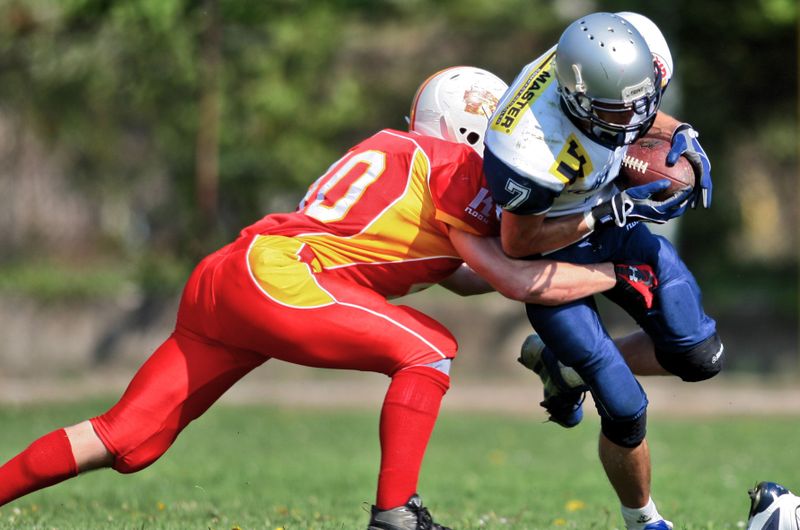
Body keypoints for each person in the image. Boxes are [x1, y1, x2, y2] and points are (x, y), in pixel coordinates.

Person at [0, 66, 660, 530]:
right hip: (283, 277)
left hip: (234, 273)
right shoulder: (453, 166)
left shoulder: (401, 153)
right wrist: (614, 274)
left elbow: (470, 272)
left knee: (130, 441)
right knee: (431, 350)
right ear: (472, 130)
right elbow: (513, 275)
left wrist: (561, 254)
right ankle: (396, 515)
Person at [481, 11, 723, 530]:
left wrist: (683, 137)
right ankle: (644, 521)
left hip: (607, 218)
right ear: (576, 99)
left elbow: (642, 111)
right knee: (624, 404)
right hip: (553, 250)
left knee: (700, 354)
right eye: (617, 113)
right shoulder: (524, 142)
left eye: (644, 99)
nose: (633, 122)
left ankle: (562, 366)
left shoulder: (633, 47)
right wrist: (610, 210)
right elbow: (518, 243)